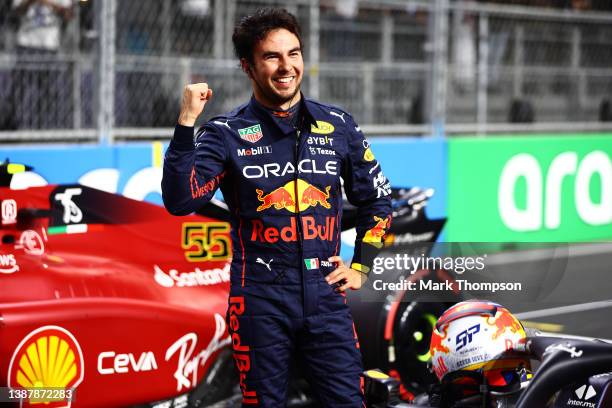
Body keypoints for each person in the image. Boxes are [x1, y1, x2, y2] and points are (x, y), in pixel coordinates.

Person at [162, 8, 392, 407]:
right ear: (247, 67)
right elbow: (181, 200)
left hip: (326, 297)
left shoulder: (338, 124)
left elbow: (378, 200)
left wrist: (359, 267)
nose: (287, 67)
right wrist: (186, 124)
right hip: (259, 301)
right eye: (272, 56)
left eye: (294, 54)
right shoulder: (225, 133)